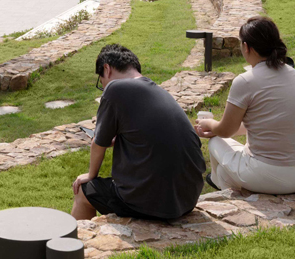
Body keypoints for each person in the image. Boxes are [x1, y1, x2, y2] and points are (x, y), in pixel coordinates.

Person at [71, 44, 206, 220]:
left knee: (83, 191)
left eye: (101, 82)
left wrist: (90, 175)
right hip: (188, 197)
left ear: (107, 69)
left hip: (149, 203)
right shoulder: (157, 91)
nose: (103, 87)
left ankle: (77, 238)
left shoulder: (114, 89)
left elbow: (98, 142)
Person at [196, 16, 295, 194]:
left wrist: (208, 124)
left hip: (273, 175)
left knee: (216, 141)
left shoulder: (245, 81)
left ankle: (217, 181)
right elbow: (269, 122)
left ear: (246, 47)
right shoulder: (292, 73)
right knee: (225, 170)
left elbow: (225, 131)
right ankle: (221, 179)